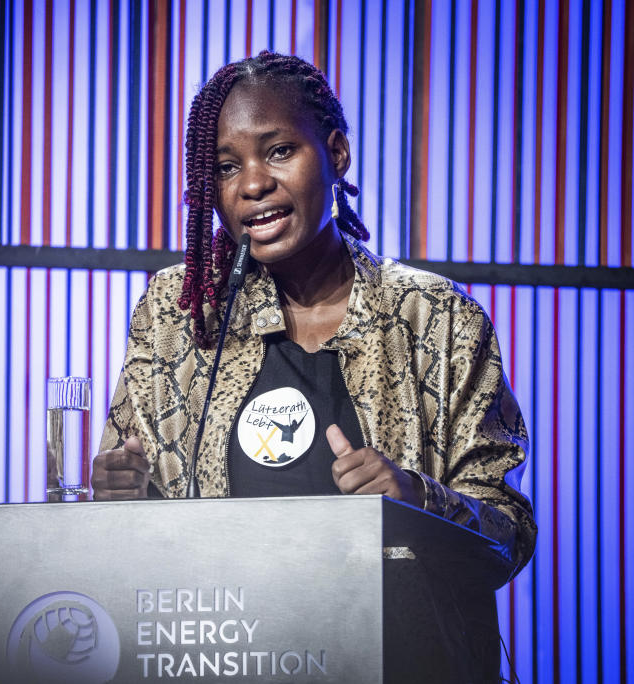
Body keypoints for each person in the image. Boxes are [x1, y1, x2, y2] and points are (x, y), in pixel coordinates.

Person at [91, 53, 536, 673]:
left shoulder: (434, 317)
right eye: (226, 167)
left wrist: (418, 500)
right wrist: (119, 492)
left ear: (337, 154)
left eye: (278, 152)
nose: (252, 184)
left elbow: (506, 536)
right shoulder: (180, 313)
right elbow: (130, 521)